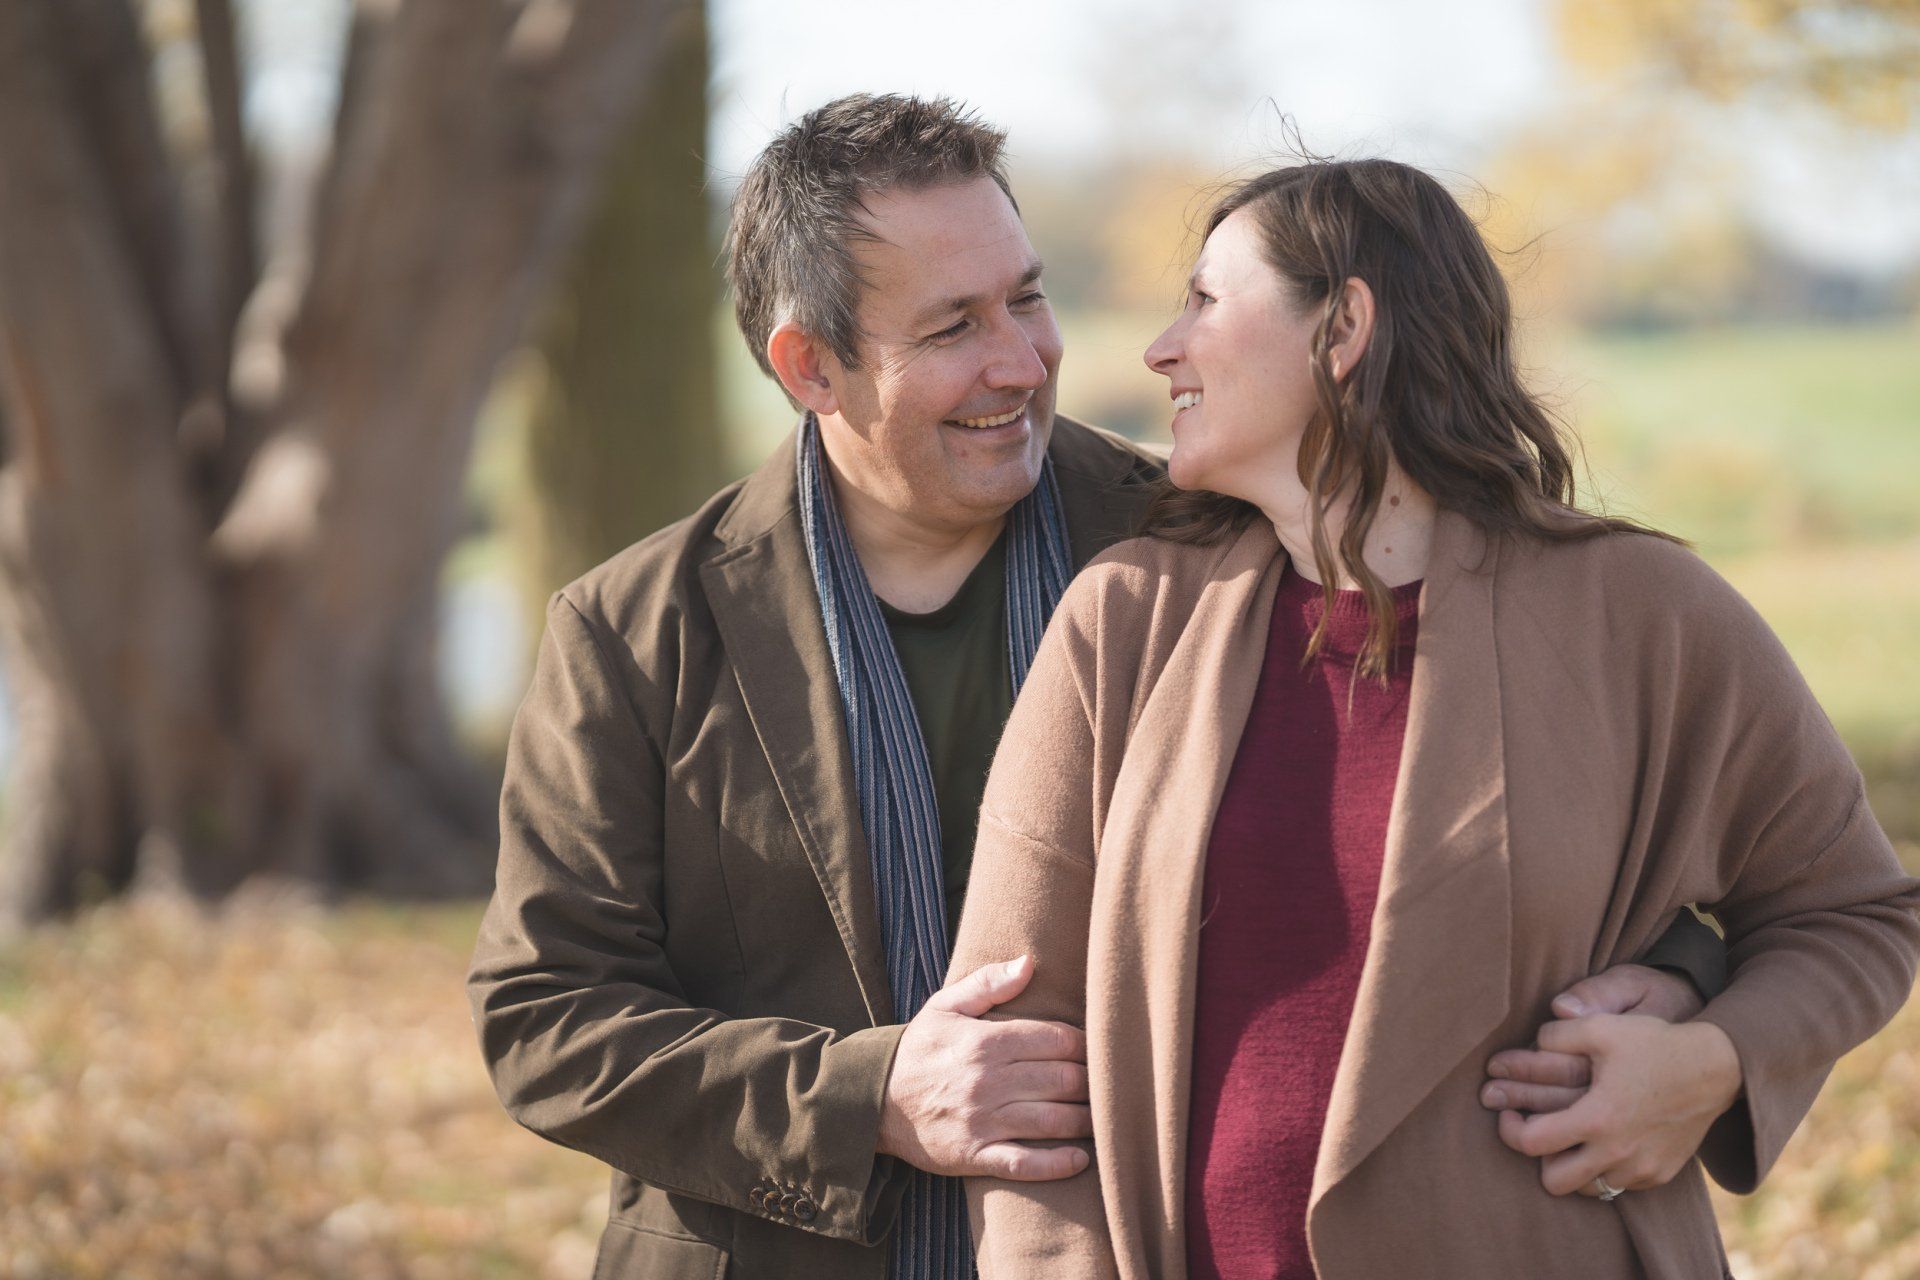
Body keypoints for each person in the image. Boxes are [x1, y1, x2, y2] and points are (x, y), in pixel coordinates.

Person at [466, 97, 1724, 1280]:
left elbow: (1502, 814)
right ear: (811, 367)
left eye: (1027, 297)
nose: (1022, 362)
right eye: (953, 328)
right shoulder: (633, 632)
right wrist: (870, 1096)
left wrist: (1680, 990)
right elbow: (547, 1015)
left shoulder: (1209, 537)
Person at [948, 155, 1920, 1279]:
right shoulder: (1123, 622)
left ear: (1343, 328)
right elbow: (1015, 1047)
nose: (1162, 348)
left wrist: (1712, 1061)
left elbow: (1853, 912)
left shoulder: (1647, 614)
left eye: (1205, 300)